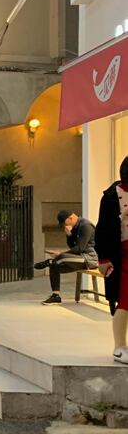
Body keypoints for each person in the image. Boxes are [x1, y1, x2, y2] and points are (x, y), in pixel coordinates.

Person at [95, 155, 128, 364]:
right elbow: (103, 230)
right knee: (124, 300)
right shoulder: (111, 197)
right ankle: (119, 345)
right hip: (122, 255)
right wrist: (104, 258)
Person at [34, 209, 98, 305]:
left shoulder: (86, 226)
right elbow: (73, 247)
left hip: (89, 259)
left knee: (62, 256)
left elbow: (79, 248)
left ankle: (49, 261)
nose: (64, 226)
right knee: (54, 265)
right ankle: (56, 296)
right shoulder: (75, 227)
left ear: (70, 218)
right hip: (78, 258)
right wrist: (69, 235)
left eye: (64, 223)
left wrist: (60, 254)